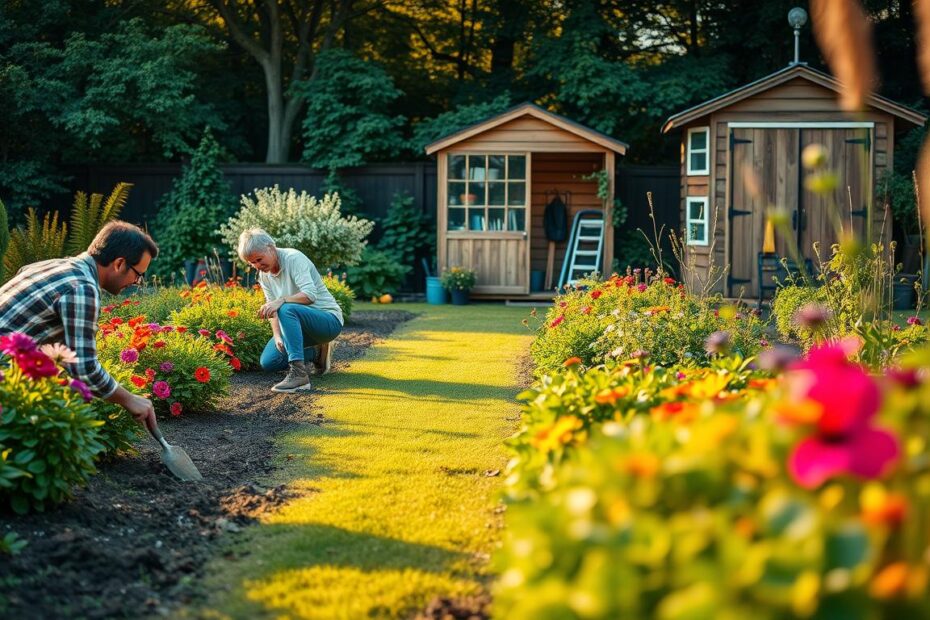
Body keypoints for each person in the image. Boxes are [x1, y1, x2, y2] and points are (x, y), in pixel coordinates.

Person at [0, 221, 158, 428]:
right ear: (119, 263)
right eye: (138, 275)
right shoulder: (82, 287)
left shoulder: (51, 266)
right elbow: (84, 368)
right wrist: (130, 399)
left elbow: (66, 354)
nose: (137, 283)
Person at [238, 228, 343, 393]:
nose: (257, 266)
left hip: (328, 321)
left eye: (259, 259)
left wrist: (281, 300)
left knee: (286, 308)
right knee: (269, 362)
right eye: (252, 263)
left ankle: (299, 376)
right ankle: (316, 352)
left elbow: (310, 295)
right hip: (298, 326)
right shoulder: (264, 276)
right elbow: (272, 310)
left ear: (271, 248)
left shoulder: (294, 259)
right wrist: (277, 335)